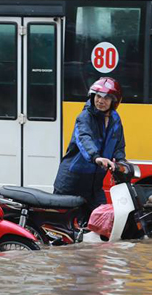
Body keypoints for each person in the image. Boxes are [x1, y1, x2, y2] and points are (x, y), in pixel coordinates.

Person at [53, 77, 126, 211]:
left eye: (106, 98)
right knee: (57, 223)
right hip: (71, 181)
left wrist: (122, 163)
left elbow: (119, 145)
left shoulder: (115, 120)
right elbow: (84, 138)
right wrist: (96, 157)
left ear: (114, 101)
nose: (100, 101)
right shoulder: (84, 117)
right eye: (98, 96)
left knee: (102, 219)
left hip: (94, 184)